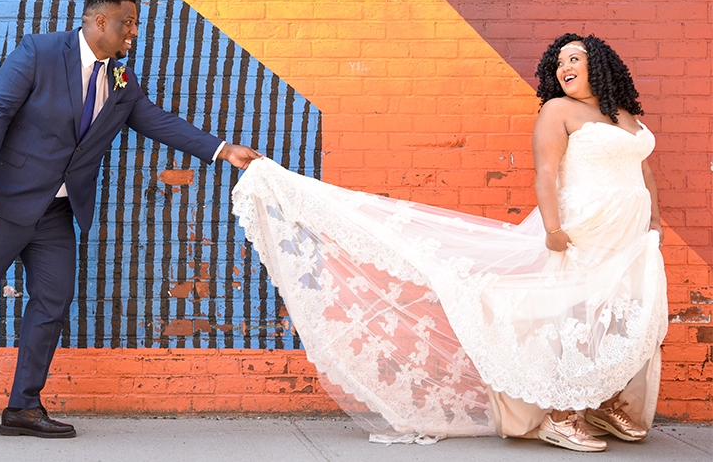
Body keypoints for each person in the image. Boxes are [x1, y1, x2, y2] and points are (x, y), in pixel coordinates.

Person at [230, 33, 666, 451]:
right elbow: (546, 174)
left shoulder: (626, 117)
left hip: (628, 237)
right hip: (581, 231)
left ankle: (605, 405)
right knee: (576, 319)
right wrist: (553, 229)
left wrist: (656, 222)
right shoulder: (558, 110)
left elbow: (643, 172)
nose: (564, 67)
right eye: (559, 62)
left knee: (622, 318)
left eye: (575, 58)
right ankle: (560, 416)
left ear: (600, 66)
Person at [0, 0, 261, 446]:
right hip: (2, 202)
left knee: (52, 303)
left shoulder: (120, 80)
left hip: (56, 214)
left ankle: (23, 406)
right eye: (129, 23)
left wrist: (223, 150)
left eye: (136, 24)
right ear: (99, 21)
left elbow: (156, 120)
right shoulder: (40, 52)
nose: (134, 33)